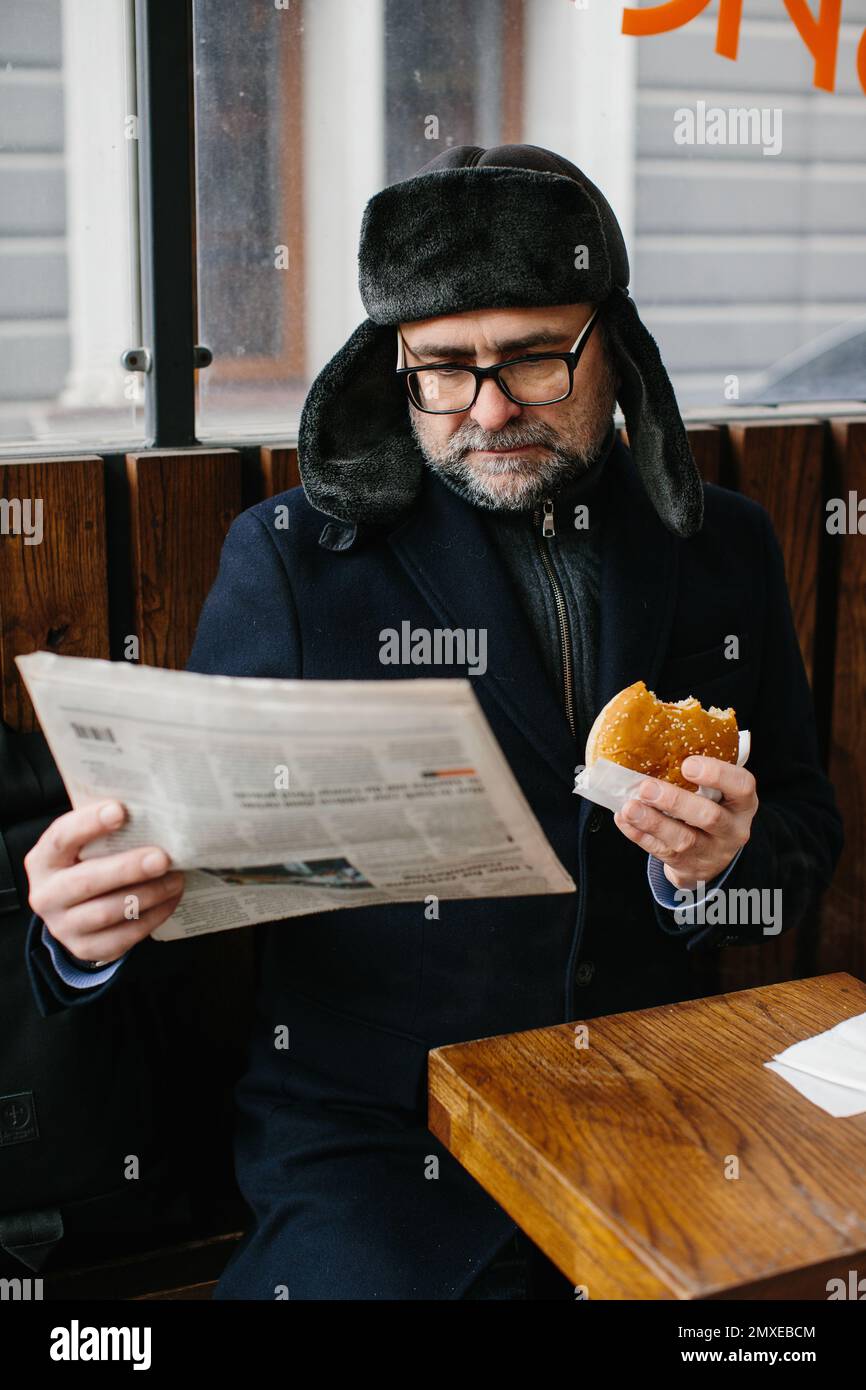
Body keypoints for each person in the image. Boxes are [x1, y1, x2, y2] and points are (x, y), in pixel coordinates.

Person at [23, 144, 843, 1300]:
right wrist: (79, 936)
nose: (489, 408)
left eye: (533, 360)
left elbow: (804, 822)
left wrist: (708, 871)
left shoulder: (724, 547)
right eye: (442, 370)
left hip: (654, 1105)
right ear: (390, 369)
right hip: (374, 1141)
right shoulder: (293, 562)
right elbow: (180, 880)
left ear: (616, 346)